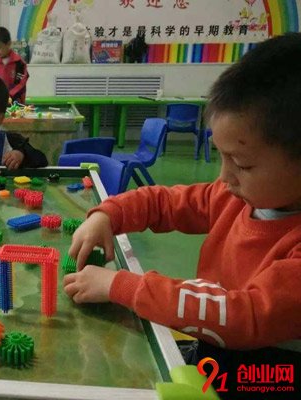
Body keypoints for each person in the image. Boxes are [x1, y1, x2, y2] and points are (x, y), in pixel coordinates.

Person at [63, 33, 301, 393]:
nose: (224, 177)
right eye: (220, 156)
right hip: (215, 353)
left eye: (242, 163)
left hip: (267, 378)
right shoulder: (236, 196)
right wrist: (107, 214)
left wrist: (122, 285)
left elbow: (243, 314)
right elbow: (164, 202)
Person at [0, 27, 28, 104]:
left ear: (8, 44)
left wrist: (8, 96)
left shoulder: (19, 63)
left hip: (15, 102)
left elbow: (21, 83)